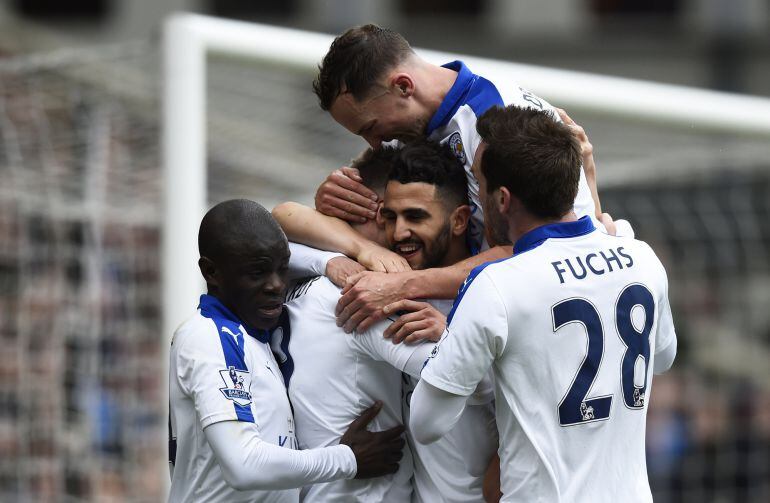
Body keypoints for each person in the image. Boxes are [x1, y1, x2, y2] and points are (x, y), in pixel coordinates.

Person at [409, 106, 677, 502]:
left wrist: (452, 344)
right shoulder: (641, 259)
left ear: (501, 198)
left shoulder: (496, 287)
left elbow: (427, 423)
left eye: (479, 184)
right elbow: (665, 358)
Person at [310, 24, 617, 333]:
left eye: (370, 127)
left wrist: (406, 286)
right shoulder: (415, 128)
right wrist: (331, 200)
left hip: (550, 321)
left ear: (403, 87)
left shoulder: (497, 123)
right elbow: (293, 219)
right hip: (487, 315)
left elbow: (541, 250)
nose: (375, 143)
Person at [274, 142, 497, 502]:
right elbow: (277, 224)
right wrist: (334, 259)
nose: (398, 233)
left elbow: (519, 392)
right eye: (389, 217)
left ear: (458, 220)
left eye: (416, 217)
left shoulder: (490, 297)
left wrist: (453, 341)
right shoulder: (378, 290)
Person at [167, 199, 405, 503]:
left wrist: (327, 262)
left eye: (283, 270)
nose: (277, 286)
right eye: (258, 273)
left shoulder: (253, 336)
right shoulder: (210, 337)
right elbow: (244, 466)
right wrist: (347, 459)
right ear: (211, 272)